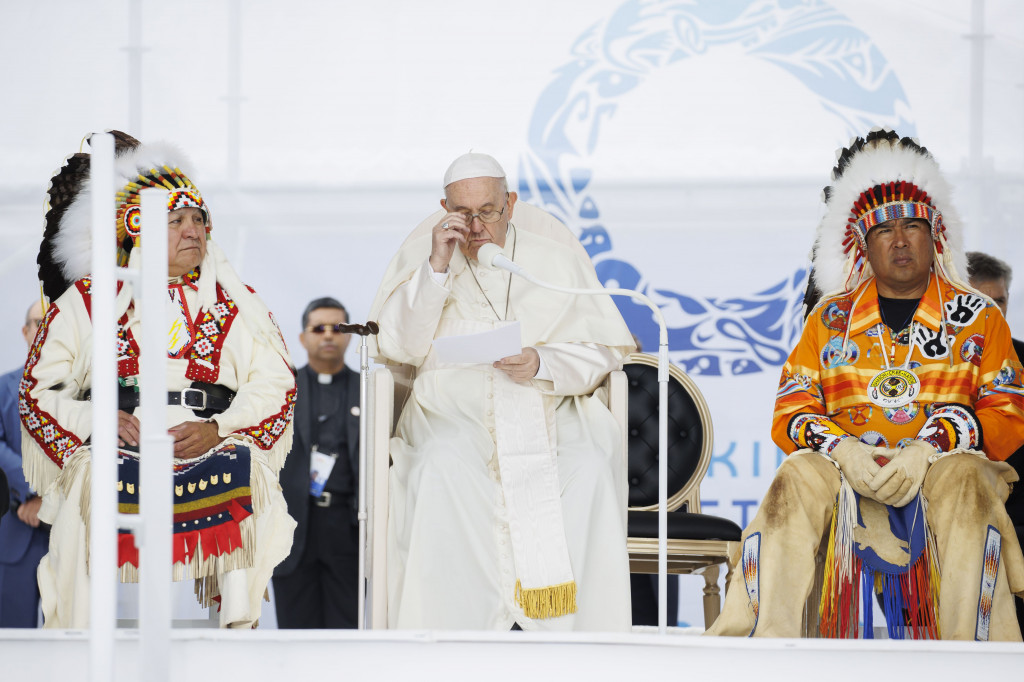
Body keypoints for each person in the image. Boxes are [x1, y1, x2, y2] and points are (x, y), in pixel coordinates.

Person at [706, 129, 1024, 640]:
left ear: (935, 234)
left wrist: (933, 445)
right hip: (847, 472)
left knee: (968, 481)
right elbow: (791, 410)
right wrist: (842, 449)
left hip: (941, 472)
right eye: (883, 230)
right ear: (864, 244)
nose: (899, 240)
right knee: (795, 478)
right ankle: (763, 647)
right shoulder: (829, 317)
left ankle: (970, 657)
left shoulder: (980, 316)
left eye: (911, 226)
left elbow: (1007, 411)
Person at [20, 132, 297, 628]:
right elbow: (41, 386)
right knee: (89, 475)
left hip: (208, 441)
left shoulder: (237, 301)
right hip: (114, 441)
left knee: (245, 469)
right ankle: (78, 635)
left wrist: (222, 427)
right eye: (176, 220)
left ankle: (236, 631)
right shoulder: (89, 298)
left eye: (199, 219)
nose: (193, 230)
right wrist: (97, 420)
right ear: (138, 226)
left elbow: (275, 382)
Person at [368, 152, 636, 631]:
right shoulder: (424, 257)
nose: (474, 226)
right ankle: (449, 634)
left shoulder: (555, 260)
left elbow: (603, 349)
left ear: (510, 204)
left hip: (548, 402)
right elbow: (400, 347)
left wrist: (544, 361)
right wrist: (435, 267)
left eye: (487, 212)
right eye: (461, 213)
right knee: (438, 466)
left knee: (589, 466)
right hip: (451, 409)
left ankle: (578, 636)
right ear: (443, 208)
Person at [274, 297, 361, 628]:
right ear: (303, 337)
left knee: (347, 635)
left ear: (349, 336)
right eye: (319, 328)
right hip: (294, 530)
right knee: (296, 635)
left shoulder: (368, 389)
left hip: (348, 531)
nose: (329, 336)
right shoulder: (282, 390)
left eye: (338, 328)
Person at [0, 301, 48, 627]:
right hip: (18, 526)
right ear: (25, 331)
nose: (44, 330)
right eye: (37, 322)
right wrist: (32, 489)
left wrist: (50, 499)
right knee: (12, 641)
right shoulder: (3, 387)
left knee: (76, 642)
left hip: (69, 532)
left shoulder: (85, 393)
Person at [967, 251, 1024, 363]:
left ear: (1007, 298)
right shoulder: (932, 360)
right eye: (980, 302)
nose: (993, 311)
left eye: (998, 301)